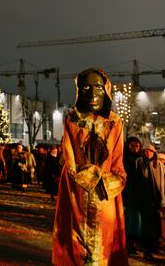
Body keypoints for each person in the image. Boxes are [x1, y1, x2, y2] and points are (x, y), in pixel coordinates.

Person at [52, 68, 128, 265]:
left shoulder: (115, 122)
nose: (93, 94)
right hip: (77, 192)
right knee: (76, 245)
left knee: (105, 245)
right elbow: (71, 161)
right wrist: (92, 178)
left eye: (99, 88)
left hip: (106, 195)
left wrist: (112, 182)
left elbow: (118, 161)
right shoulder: (72, 120)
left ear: (107, 90)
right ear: (79, 91)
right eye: (86, 88)